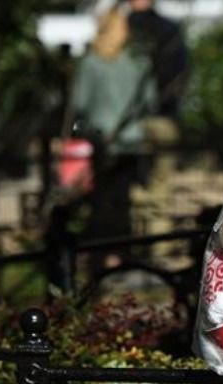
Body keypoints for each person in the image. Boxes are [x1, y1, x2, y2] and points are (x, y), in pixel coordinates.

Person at [70, 7, 155, 243]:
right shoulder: (137, 64)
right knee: (123, 201)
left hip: (103, 140)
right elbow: (149, 102)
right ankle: (122, 253)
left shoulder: (90, 64)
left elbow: (80, 103)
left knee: (101, 200)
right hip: (131, 140)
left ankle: (103, 254)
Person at [126, 0, 188, 204]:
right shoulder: (169, 29)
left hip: (129, 121)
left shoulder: (123, 28)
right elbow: (182, 74)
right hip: (163, 116)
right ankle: (158, 234)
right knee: (160, 188)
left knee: (130, 185)